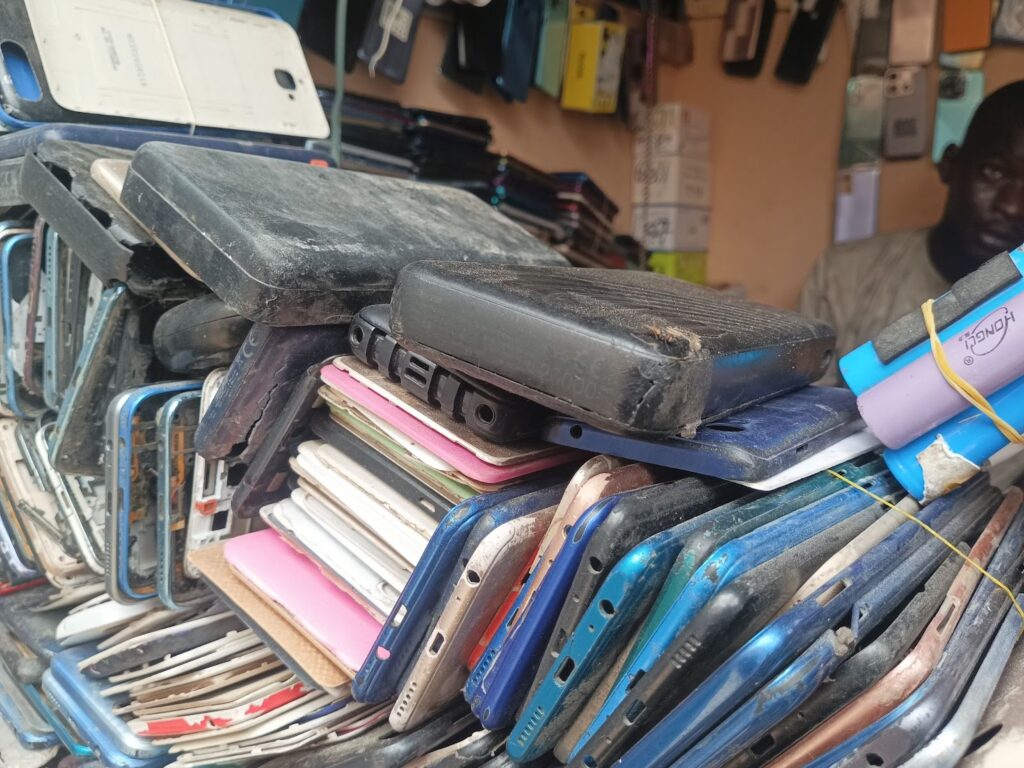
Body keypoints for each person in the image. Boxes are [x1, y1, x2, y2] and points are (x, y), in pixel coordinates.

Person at [802, 80, 1024, 385]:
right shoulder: (845, 276)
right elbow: (802, 418)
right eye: (994, 171)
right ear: (950, 165)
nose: (1012, 206)